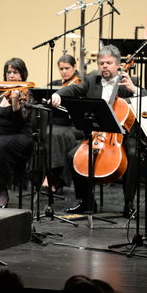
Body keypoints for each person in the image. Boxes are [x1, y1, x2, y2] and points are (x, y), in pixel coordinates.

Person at [49, 44, 147, 217]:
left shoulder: (130, 81)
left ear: (118, 65)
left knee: (133, 154)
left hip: (125, 134)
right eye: (101, 63)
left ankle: (129, 203)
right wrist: (59, 94)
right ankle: (86, 201)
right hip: (98, 134)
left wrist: (134, 90)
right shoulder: (92, 80)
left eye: (109, 63)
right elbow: (75, 89)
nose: (104, 66)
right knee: (72, 156)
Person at [0, 58, 35, 208]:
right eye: (8, 72)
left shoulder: (27, 93)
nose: (11, 75)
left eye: (15, 72)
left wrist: (16, 104)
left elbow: (20, 122)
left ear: (22, 74)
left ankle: (3, 190)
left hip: (19, 135)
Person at [42, 54, 82, 192]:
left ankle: (52, 177)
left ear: (74, 67)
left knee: (57, 134)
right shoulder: (53, 85)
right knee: (48, 132)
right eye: (61, 69)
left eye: (67, 68)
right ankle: (53, 177)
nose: (64, 71)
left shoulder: (80, 85)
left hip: (74, 126)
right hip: (56, 123)